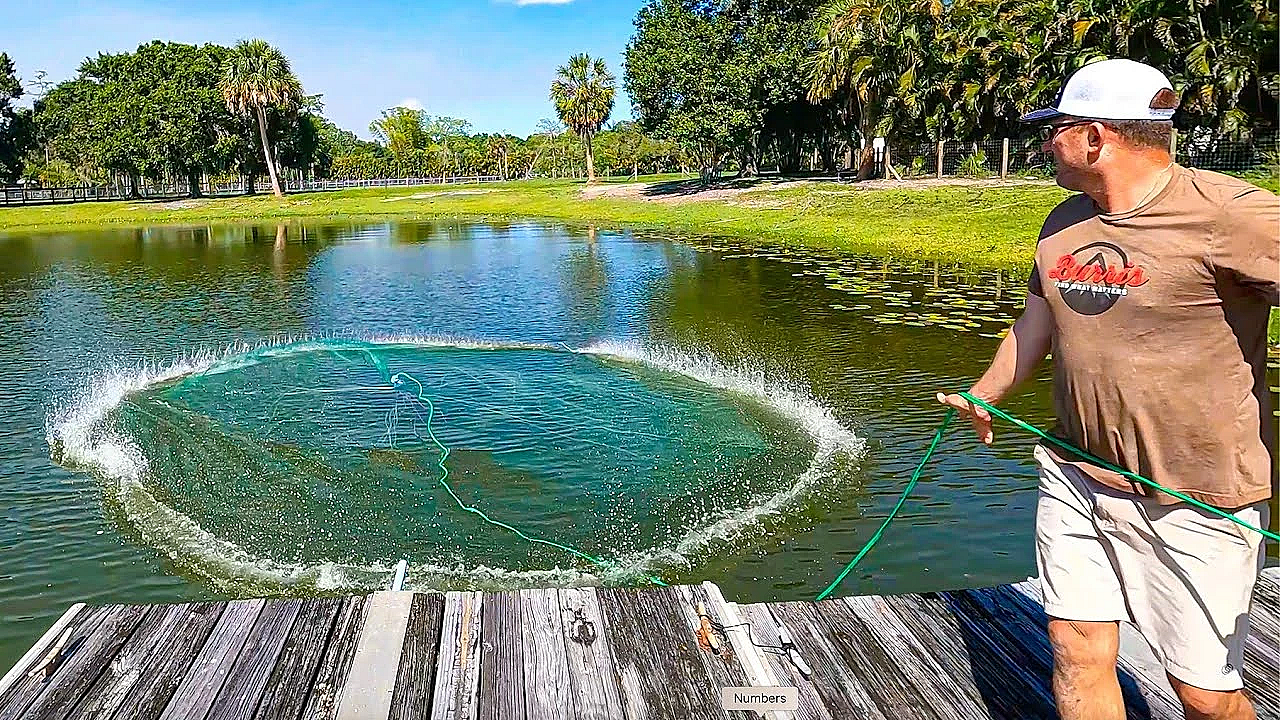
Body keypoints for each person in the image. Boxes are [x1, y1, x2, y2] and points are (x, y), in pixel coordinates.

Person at [937, 58, 1279, 720]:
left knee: (1205, 695)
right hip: (1076, 474)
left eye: (1056, 128)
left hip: (1197, 498)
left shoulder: (1233, 215)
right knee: (1074, 645)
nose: (1046, 142)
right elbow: (1038, 320)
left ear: (1096, 137)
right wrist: (985, 395)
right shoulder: (1064, 221)